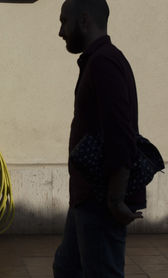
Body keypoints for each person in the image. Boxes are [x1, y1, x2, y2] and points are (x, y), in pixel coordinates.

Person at [53, 0, 145, 277]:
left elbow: (120, 133)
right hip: (87, 195)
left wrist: (116, 199)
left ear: (84, 20)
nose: (60, 32)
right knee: (67, 268)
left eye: (63, 21)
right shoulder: (98, 60)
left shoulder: (104, 62)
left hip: (100, 198)